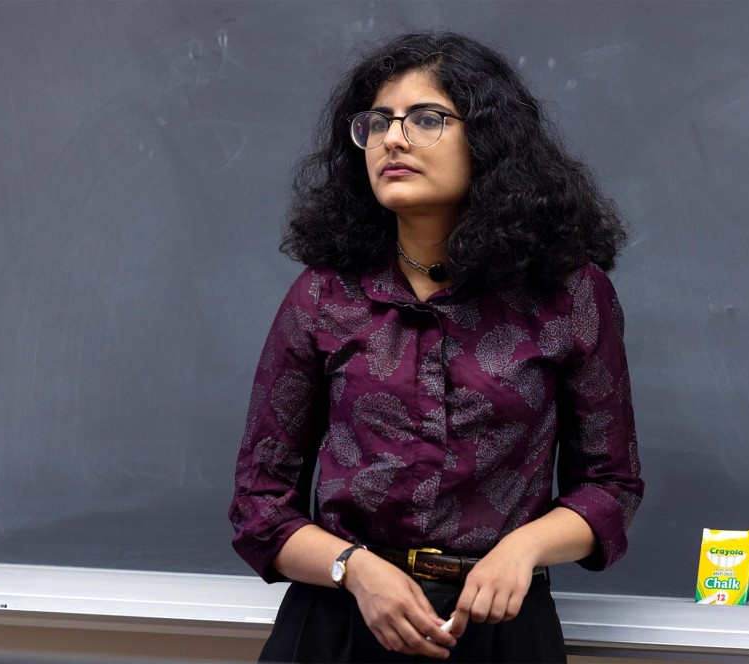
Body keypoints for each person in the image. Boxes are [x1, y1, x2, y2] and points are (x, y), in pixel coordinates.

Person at [230, 31, 643, 663]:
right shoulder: (323, 295)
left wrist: (522, 550)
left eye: (426, 119)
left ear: (488, 139)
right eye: (377, 123)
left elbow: (610, 485)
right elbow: (259, 505)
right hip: (340, 629)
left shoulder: (568, 295)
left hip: (501, 631)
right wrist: (355, 568)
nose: (392, 139)